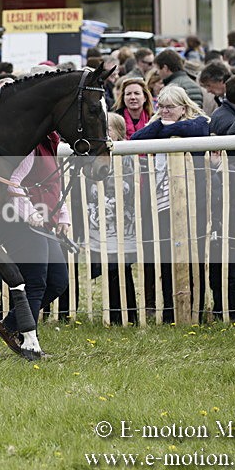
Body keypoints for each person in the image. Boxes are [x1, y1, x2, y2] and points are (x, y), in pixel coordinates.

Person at [131, 85, 210, 322]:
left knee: (193, 256)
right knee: (165, 257)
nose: (164, 111)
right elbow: (136, 139)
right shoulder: (158, 125)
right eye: (161, 107)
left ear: (183, 107)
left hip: (192, 202)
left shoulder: (198, 122)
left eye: (170, 107)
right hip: (162, 203)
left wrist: (165, 128)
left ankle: (196, 306)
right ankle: (168, 310)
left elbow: (196, 128)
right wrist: (159, 123)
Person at [0, 129, 70, 358]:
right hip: (17, 222)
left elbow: (52, 184)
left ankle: (9, 325)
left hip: (41, 222)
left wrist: (62, 215)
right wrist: (30, 214)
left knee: (57, 281)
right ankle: (29, 345)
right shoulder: (30, 144)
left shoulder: (50, 142)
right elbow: (12, 183)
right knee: (36, 284)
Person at [88, 113, 137, 325]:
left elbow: (127, 187)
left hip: (121, 221)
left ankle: (128, 313)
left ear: (119, 133)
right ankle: (114, 311)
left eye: (107, 129)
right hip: (99, 220)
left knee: (121, 268)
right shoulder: (95, 155)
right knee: (108, 268)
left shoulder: (125, 156)